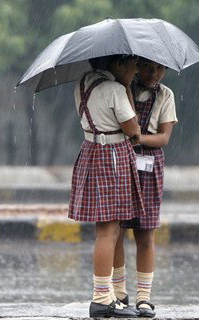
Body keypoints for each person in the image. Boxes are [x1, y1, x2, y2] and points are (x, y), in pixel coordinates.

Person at [68, 54, 145, 318]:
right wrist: (125, 90)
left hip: (91, 151)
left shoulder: (83, 83)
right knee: (108, 229)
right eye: (133, 66)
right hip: (111, 156)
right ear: (118, 64)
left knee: (109, 229)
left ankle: (112, 295)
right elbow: (133, 129)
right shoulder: (114, 90)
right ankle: (101, 298)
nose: (136, 72)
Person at [112, 58, 178, 318]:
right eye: (149, 68)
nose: (155, 74)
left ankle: (144, 296)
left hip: (149, 163)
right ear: (136, 66)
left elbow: (163, 137)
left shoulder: (166, 95)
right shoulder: (121, 89)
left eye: (160, 69)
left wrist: (139, 138)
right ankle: (118, 292)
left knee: (145, 232)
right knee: (115, 230)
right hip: (121, 160)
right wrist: (126, 89)